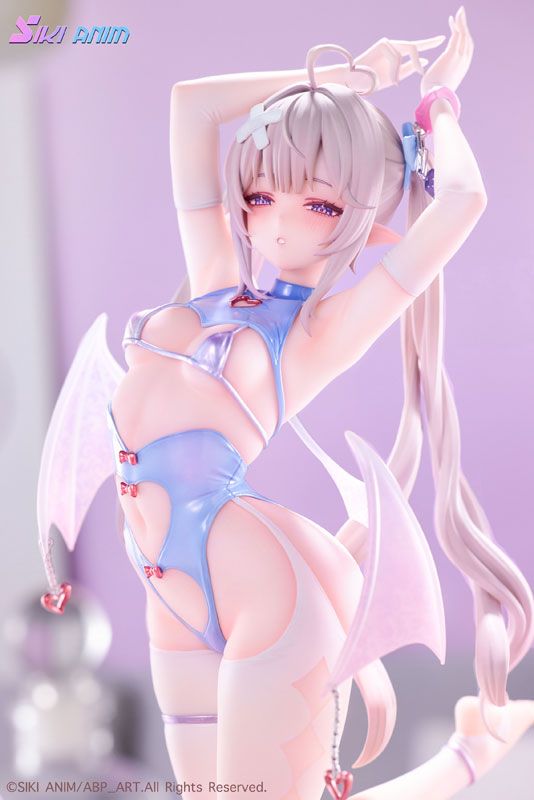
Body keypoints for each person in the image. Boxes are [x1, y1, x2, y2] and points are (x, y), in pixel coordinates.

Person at [38, 6, 534, 799]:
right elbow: (193, 106)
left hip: (273, 589)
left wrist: (437, 104)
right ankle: (475, 752)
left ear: (362, 222)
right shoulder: (211, 274)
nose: (277, 221)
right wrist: (347, 77)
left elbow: (464, 200)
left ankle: (467, 760)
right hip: (169, 587)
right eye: (262, 192)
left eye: (323, 205)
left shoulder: (318, 332)